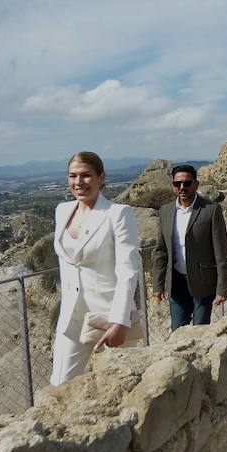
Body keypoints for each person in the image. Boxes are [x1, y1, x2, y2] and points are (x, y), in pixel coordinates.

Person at [50, 152, 143, 386]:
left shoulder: (117, 214)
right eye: (73, 176)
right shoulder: (62, 211)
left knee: (120, 385)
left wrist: (120, 322)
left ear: (102, 178)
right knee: (59, 386)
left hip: (109, 318)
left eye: (86, 175)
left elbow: (127, 270)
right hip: (72, 316)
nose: (78, 182)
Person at [152, 164, 227, 330]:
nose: (182, 187)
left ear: (196, 184)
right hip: (176, 283)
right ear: (173, 185)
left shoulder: (211, 210)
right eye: (177, 184)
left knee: (199, 331)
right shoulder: (165, 212)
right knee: (177, 331)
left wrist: (222, 288)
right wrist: (158, 285)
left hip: (203, 283)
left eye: (187, 183)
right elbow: (160, 251)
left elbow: (221, 252)